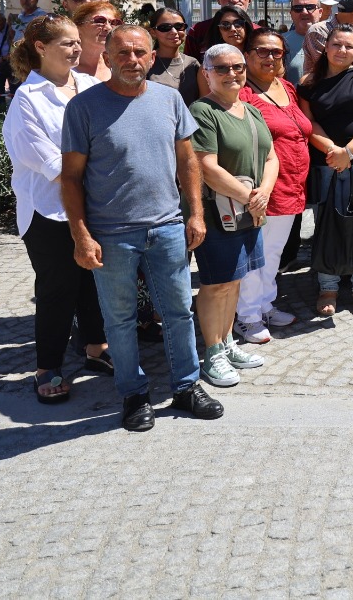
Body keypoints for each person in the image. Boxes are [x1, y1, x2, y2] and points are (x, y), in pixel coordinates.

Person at [60, 25, 224, 432]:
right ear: (108, 58)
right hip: (111, 233)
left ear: (153, 58)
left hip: (167, 227)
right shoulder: (84, 108)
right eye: (123, 53)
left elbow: (188, 162)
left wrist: (196, 214)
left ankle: (186, 386)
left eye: (140, 53)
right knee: (119, 319)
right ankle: (133, 393)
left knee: (178, 311)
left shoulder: (170, 100)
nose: (132, 60)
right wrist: (81, 235)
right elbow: (70, 179)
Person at [1, 15, 109, 404]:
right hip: (49, 212)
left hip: (97, 205)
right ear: (41, 48)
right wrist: (106, 166)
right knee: (57, 290)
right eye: (67, 43)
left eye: (77, 42)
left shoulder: (94, 86)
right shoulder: (27, 101)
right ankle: (47, 366)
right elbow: (53, 167)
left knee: (95, 282)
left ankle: (96, 347)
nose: (76, 49)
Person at [188, 43, 278, 387]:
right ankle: (212, 353)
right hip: (218, 214)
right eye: (222, 68)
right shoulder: (202, 111)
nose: (231, 74)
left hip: (247, 212)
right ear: (207, 73)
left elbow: (271, 157)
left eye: (237, 67)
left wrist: (263, 193)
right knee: (216, 284)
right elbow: (205, 167)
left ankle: (226, 344)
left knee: (235, 281)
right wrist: (251, 198)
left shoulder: (250, 110)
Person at [298, 23, 353, 316]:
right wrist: (332, 152)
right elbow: (308, 123)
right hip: (325, 161)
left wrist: (347, 152)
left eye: (349, 46)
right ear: (327, 46)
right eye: (337, 44)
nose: (342, 50)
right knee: (325, 222)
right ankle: (328, 286)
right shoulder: (309, 82)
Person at [235, 28, 312, 343]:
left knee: (274, 251)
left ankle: (266, 304)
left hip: (292, 185)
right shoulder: (244, 92)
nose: (269, 57)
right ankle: (247, 316)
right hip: (263, 186)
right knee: (255, 253)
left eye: (276, 52)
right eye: (262, 51)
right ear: (248, 55)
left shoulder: (287, 88)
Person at [186, 0, 253, 58]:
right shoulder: (198, 31)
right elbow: (191, 66)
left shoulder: (259, 32)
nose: (234, 0)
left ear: (249, 0)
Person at [145, 7, 201, 105]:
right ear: (153, 32)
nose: (174, 32)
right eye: (165, 28)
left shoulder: (193, 63)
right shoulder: (146, 62)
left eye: (179, 26)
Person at [69, 0, 121, 82]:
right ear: (78, 27)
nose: (108, 28)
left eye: (114, 22)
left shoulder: (118, 64)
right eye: (100, 21)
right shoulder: (65, 67)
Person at [283, 0, 324, 85]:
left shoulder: (334, 40)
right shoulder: (280, 41)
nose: (304, 12)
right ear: (291, 14)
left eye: (310, 7)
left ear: (320, 12)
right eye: (298, 8)